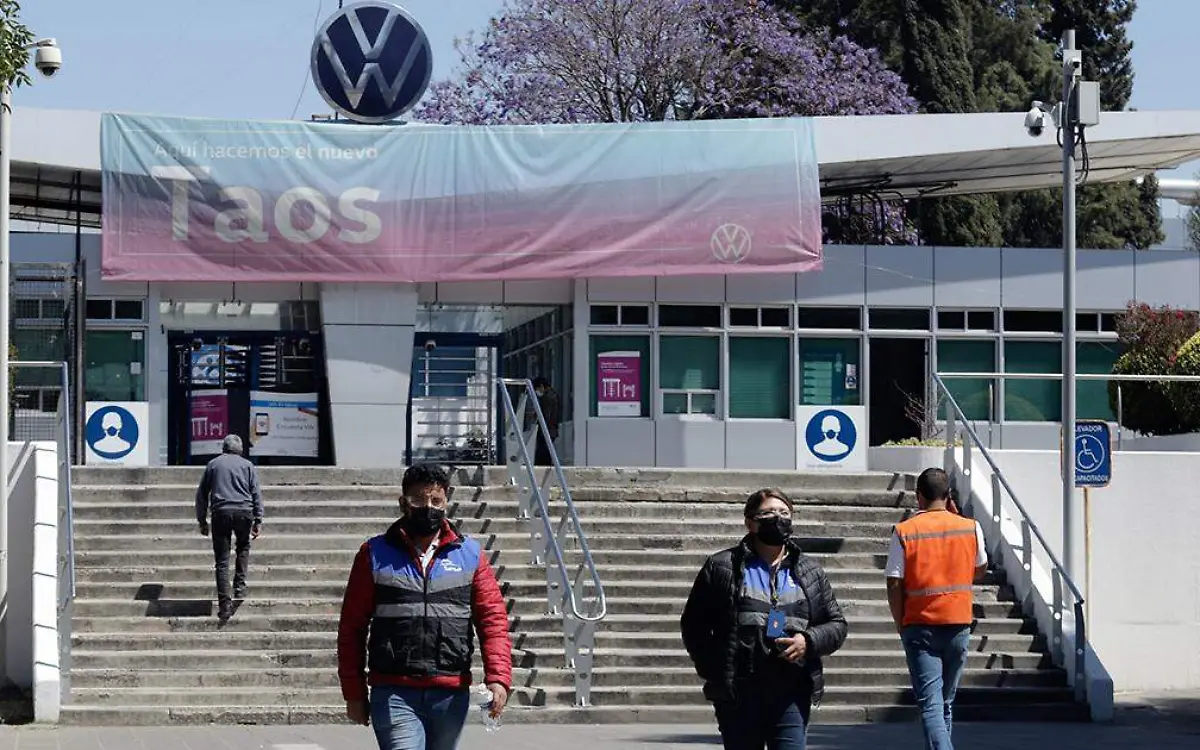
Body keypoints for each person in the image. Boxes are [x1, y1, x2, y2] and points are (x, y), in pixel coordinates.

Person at [337, 463, 513, 750]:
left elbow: (492, 621)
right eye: (418, 500)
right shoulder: (373, 554)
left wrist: (499, 678)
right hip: (393, 691)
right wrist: (354, 693)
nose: (427, 507)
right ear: (403, 503)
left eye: (435, 501)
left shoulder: (470, 555)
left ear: (446, 503)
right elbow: (352, 628)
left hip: (450, 693)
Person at [681, 488, 848, 750]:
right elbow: (694, 626)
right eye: (769, 513)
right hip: (739, 694)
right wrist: (716, 671)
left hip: (791, 691)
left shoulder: (810, 571)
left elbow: (836, 625)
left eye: (784, 513)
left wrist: (808, 641)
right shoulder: (721, 567)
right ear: (750, 523)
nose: (778, 519)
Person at [885, 467, 988, 750]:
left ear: (918, 496)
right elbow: (980, 570)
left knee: (931, 705)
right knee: (945, 703)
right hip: (958, 623)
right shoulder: (970, 527)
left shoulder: (904, 531)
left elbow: (894, 582)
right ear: (949, 495)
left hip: (919, 625)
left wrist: (899, 621)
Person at [195, 434, 263, 621]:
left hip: (221, 512)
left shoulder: (213, 465)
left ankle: (224, 605)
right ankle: (239, 587)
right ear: (240, 449)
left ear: (223, 448)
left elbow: (201, 495)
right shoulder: (248, 466)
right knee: (243, 547)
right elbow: (256, 492)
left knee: (222, 561)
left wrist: (202, 521)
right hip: (244, 512)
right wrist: (258, 519)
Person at [530, 376, 560, 466]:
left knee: (542, 456)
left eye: (537, 389)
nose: (537, 392)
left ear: (542, 386)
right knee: (546, 453)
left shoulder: (547, 398)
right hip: (552, 430)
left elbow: (545, 415)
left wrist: (536, 417)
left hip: (546, 430)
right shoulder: (554, 395)